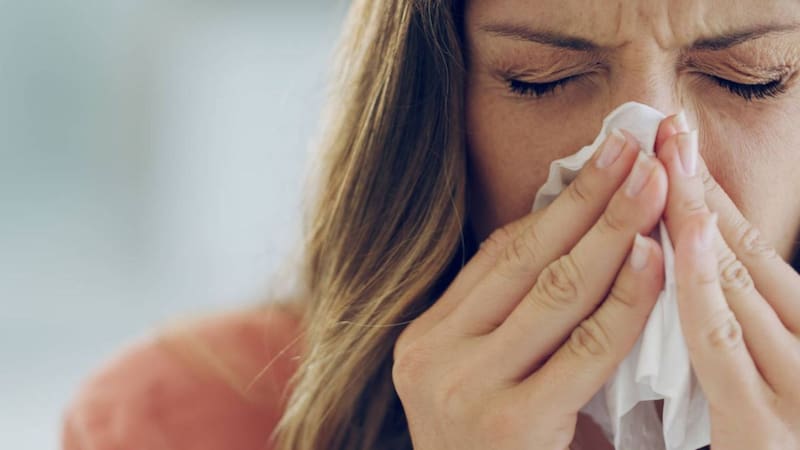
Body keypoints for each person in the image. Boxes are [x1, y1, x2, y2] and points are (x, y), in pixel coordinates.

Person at [61, 0, 800, 449]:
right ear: (436, 101)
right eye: (539, 79)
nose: (653, 174)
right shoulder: (178, 419)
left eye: (753, 76)